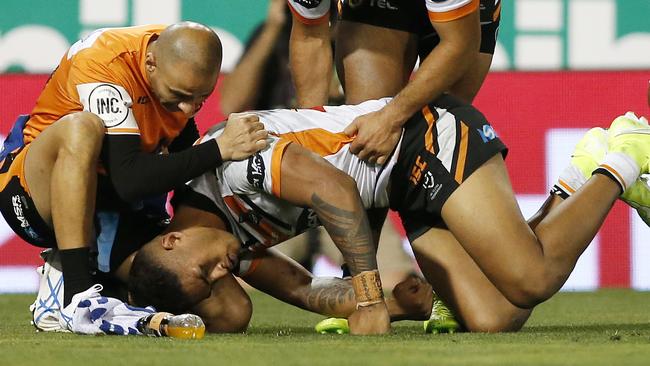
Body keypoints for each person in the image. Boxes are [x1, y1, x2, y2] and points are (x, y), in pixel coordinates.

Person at [128, 93, 650, 333]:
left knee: (530, 278)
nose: (224, 273)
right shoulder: (228, 251)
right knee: (495, 318)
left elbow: (335, 189)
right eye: (215, 281)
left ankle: (627, 154)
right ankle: (577, 179)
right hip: (400, 189)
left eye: (205, 271)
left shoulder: (231, 164)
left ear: (172, 240)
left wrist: (370, 297)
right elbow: (303, 291)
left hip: (424, 139)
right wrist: (377, 304)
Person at [0, 22, 268, 308]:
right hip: (36, 195)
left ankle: (109, 287)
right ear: (150, 63)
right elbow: (129, 181)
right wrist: (220, 148)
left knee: (229, 312)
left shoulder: (177, 59)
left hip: (117, 211)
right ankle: (76, 296)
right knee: (82, 128)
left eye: (201, 98)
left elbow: (181, 161)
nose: (188, 109)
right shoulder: (103, 60)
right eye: (179, 96)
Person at [289, 0, 501, 164]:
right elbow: (310, 36)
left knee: (436, 149)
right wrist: (311, 140)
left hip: (464, 21)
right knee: (365, 146)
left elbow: (461, 44)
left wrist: (390, 118)